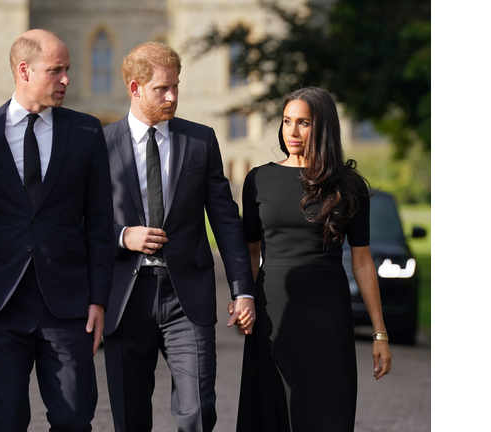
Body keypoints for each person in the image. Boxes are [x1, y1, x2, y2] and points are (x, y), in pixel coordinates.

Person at [0, 29, 113, 431]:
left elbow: (99, 223)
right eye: (56, 70)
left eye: (67, 70)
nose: (66, 80)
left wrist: (99, 299)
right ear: (24, 70)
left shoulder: (87, 131)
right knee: (5, 420)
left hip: (69, 304)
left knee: (74, 418)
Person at [102, 42, 255, 432]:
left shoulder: (200, 141)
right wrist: (122, 236)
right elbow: (78, 221)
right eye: (161, 89)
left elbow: (225, 220)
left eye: (176, 87)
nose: (172, 97)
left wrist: (242, 289)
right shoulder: (99, 146)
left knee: (199, 412)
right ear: (135, 88)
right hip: (125, 297)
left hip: (186, 298)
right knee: (129, 416)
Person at [236, 86, 392, 431]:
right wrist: (242, 298)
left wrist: (379, 333)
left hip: (328, 312)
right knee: (271, 408)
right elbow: (250, 252)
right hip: (273, 310)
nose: (291, 132)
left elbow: (363, 262)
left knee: (325, 410)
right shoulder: (258, 179)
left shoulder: (348, 185)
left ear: (322, 127)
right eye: (287, 121)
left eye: (303, 123)